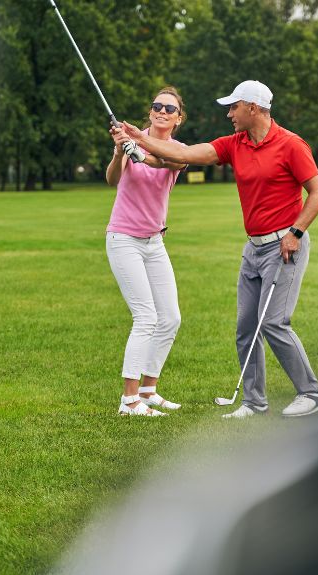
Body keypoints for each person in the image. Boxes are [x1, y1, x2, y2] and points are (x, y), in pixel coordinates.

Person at [122, 80, 318, 419]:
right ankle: (254, 402)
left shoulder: (291, 145)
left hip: (286, 245)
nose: (229, 113)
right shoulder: (235, 144)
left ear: (254, 108)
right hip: (254, 249)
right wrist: (140, 137)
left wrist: (296, 233)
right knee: (246, 329)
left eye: (234, 107)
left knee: (273, 323)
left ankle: (312, 394)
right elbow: (184, 154)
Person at [105, 86, 188, 416]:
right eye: (157, 106)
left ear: (178, 119)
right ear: (150, 111)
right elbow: (112, 180)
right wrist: (119, 153)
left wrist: (138, 148)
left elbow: (165, 162)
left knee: (170, 318)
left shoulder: (179, 150)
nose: (162, 112)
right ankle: (129, 400)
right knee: (146, 318)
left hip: (155, 243)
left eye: (170, 109)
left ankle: (149, 389)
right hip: (124, 239)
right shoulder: (130, 142)